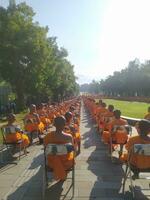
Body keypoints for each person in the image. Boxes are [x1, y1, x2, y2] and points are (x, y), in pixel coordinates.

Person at [43, 116, 74, 181]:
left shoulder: (47, 136)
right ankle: (63, 173)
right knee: (71, 153)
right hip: (66, 163)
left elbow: (45, 149)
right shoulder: (69, 137)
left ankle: (60, 172)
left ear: (54, 124)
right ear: (65, 124)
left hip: (52, 163)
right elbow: (72, 150)